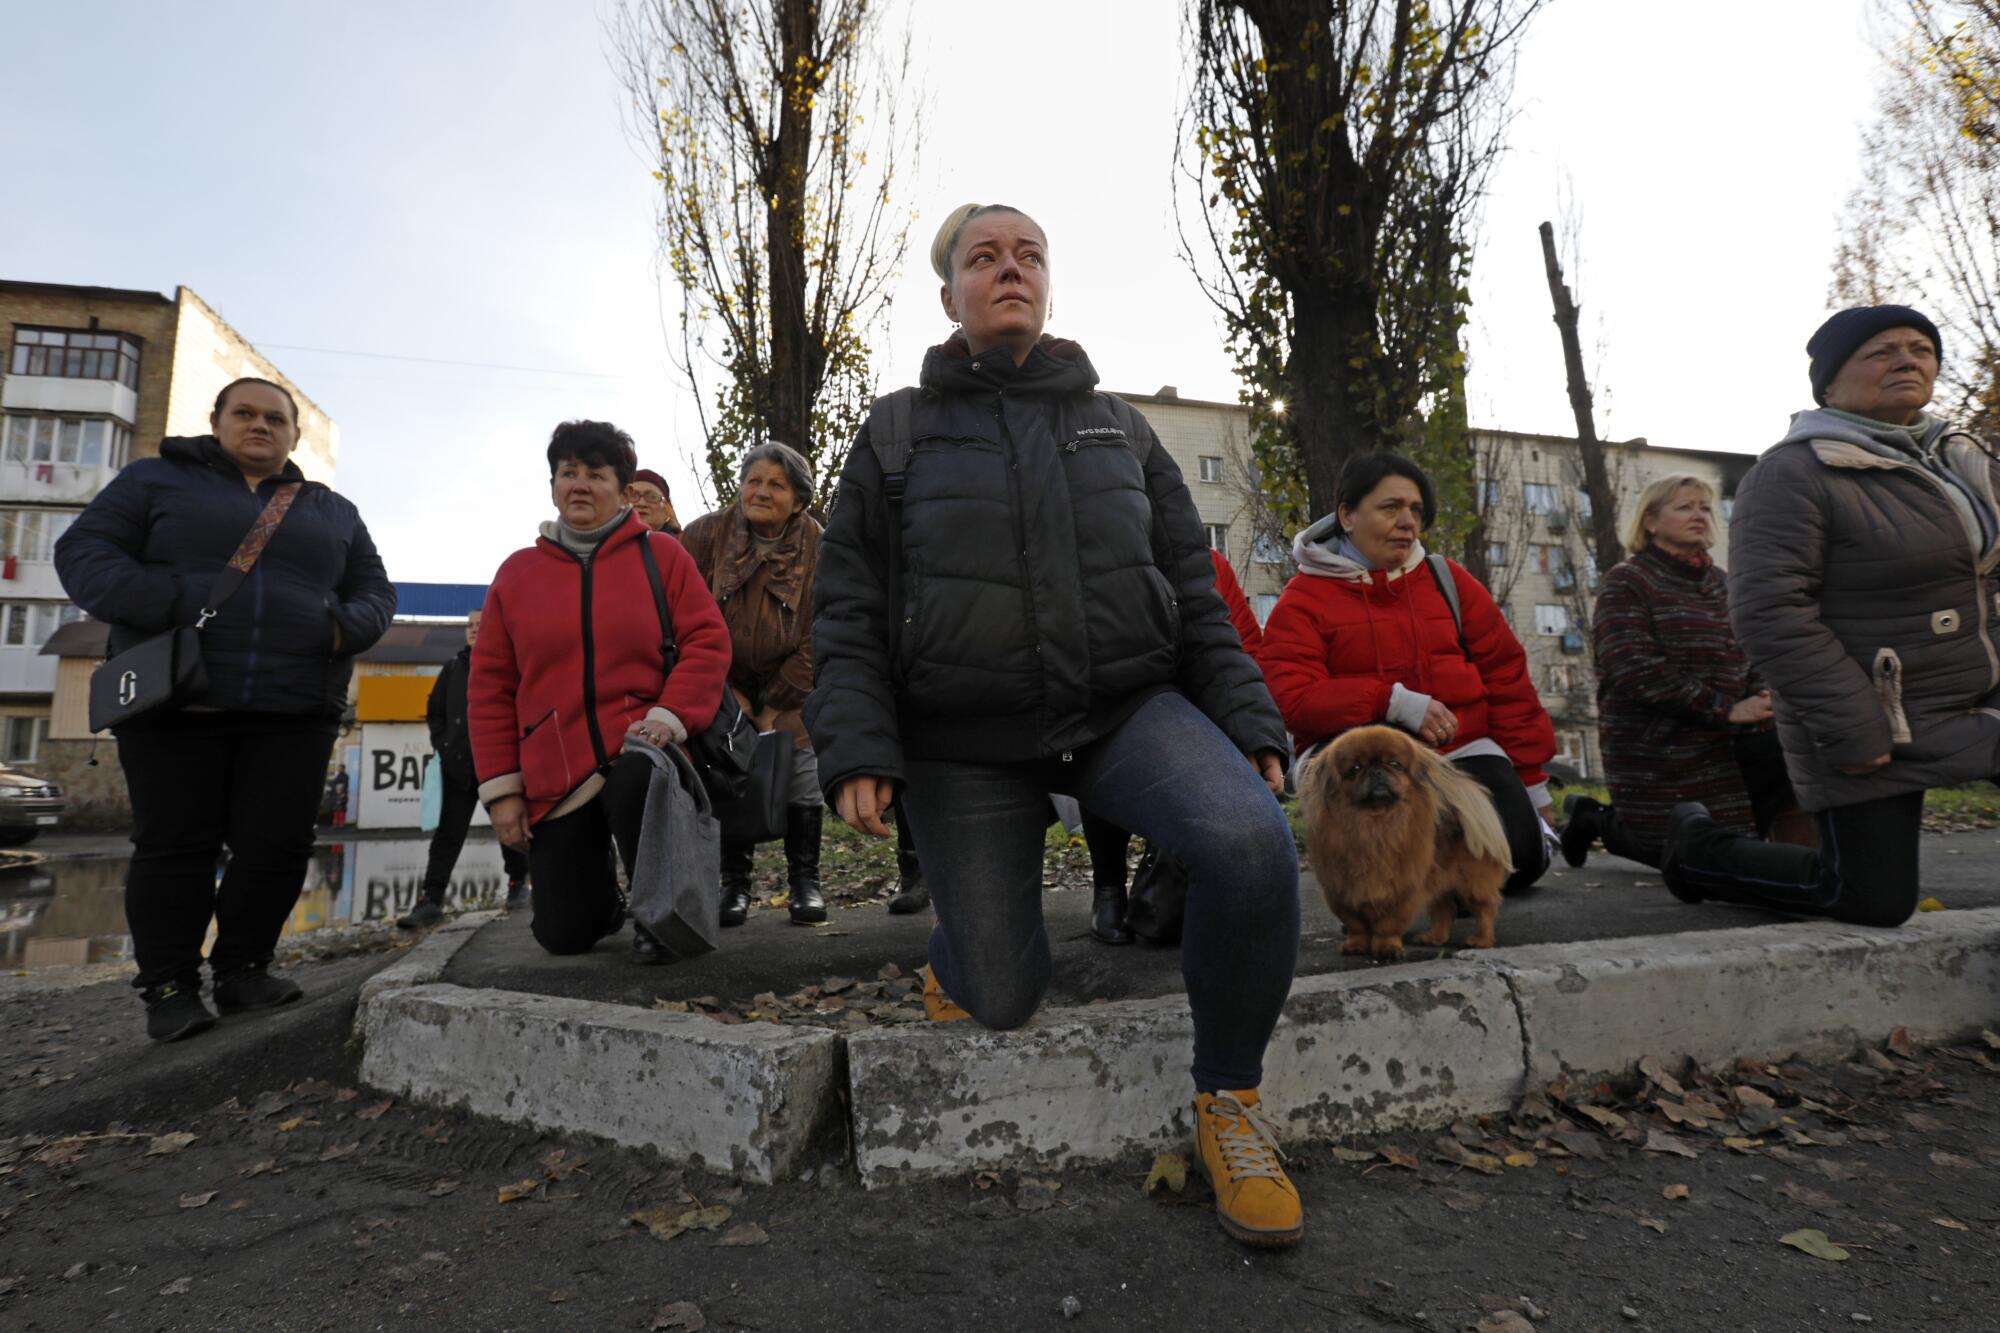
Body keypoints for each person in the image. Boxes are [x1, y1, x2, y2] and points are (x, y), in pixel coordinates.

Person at [807, 202, 1305, 1248]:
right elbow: (845, 604)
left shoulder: (1119, 429)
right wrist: (858, 744)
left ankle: (1229, 1102)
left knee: (1249, 845)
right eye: (983, 257)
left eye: (1028, 253)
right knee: (999, 993)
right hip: (960, 738)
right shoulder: (894, 431)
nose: (1009, 270)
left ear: (1049, 281)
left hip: (1122, 710)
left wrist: (1244, 718)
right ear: (949, 296)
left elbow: (1192, 591)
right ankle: (960, 952)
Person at [54, 377, 396, 1041]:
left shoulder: (332, 510)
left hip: (294, 704)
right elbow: (81, 552)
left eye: (276, 417)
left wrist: (338, 628)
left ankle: (243, 968)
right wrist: (168, 598)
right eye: (245, 413)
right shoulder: (155, 480)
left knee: (276, 844)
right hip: (178, 700)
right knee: (175, 845)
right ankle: (171, 987)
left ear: (295, 435)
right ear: (216, 422)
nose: (260, 425)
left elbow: (375, 589)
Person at [1660, 304, 1999, 927]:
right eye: (1882, 351)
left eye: (1921, 349)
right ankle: (1698, 851)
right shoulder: (1793, 472)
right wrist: (1852, 726)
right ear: (1830, 384)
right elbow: (1769, 611)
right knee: (1868, 897)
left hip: (1972, 691)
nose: (1907, 359)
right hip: (1872, 709)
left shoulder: (1961, 462)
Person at [469, 420, 730, 962]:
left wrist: (671, 714)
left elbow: (707, 641)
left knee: (641, 775)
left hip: (642, 752)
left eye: (596, 473)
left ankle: (660, 911)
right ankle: (607, 905)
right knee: (564, 937)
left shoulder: (663, 557)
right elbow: (491, 687)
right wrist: (502, 792)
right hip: (556, 775)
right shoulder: (516, 575)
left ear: (623, 490)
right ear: (553, 486)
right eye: (568, 473)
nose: (580, 484)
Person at [1257, 451, 1557, 896]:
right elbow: (1293, 699)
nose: (1407, 521)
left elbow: (1506, 677)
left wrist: (1532, 784)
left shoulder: (1446, 580)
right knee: (1401, 883)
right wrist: (1392, 702)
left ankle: (1438, 869)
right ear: (1347, 515)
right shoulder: (1303, 599)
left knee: (1520, 865)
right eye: (1390, 507)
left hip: (1462, 747)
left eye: (1415, 509)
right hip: (1361, 763)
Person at [1560, 475, 1805, 869]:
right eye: (1685, 506)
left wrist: (1761, 695)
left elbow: (1751, 648)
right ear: (1650, 521)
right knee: (1673, 849)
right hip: (1660, 739)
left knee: (1795, 748)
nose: (1699, 515)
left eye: (1704, 507)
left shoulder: (1723, 584)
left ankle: (1769, 853)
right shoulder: (1627, 581)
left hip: (1729, 732)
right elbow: (1632, 666)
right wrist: (1724, 709)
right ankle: (1596, 819)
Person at [676, 441, 828, 927]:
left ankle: (805, 882)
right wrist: (724, 691)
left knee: (802, 777)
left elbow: (822, 629)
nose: (761, 491)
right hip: (722, 683)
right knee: (727, 773)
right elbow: (680, 616)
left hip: (794, 686)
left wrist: (778, 701)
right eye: (754, 481)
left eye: (776, 485)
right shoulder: (704, 536)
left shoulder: (818, 544)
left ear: (799, 501)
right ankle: (734, 885)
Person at [1084, 548, 1265, 946]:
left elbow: (1244, 642)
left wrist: (1243, 713)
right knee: (1103, 742)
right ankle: (1109, 889)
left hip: (1199, 699)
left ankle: (1178, 890)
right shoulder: (1094, 552)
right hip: (1121, 698)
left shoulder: (1209, 562)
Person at [398, 609, 529, 928]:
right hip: (457, 769)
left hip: (496, 766)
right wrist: (445, 745)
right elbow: (435, 712)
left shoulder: (507, 666)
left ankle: (517, 885)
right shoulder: (453, 668)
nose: (473, 630)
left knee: (508, 825)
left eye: (480, 625)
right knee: (447, 835)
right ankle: (430, 901)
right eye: (469, 626)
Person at [625, 468, 682, 536]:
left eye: (652, 497)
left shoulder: (687, 544)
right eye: (633, 496)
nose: (641, 503)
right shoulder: (610, 543)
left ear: (667, 509)